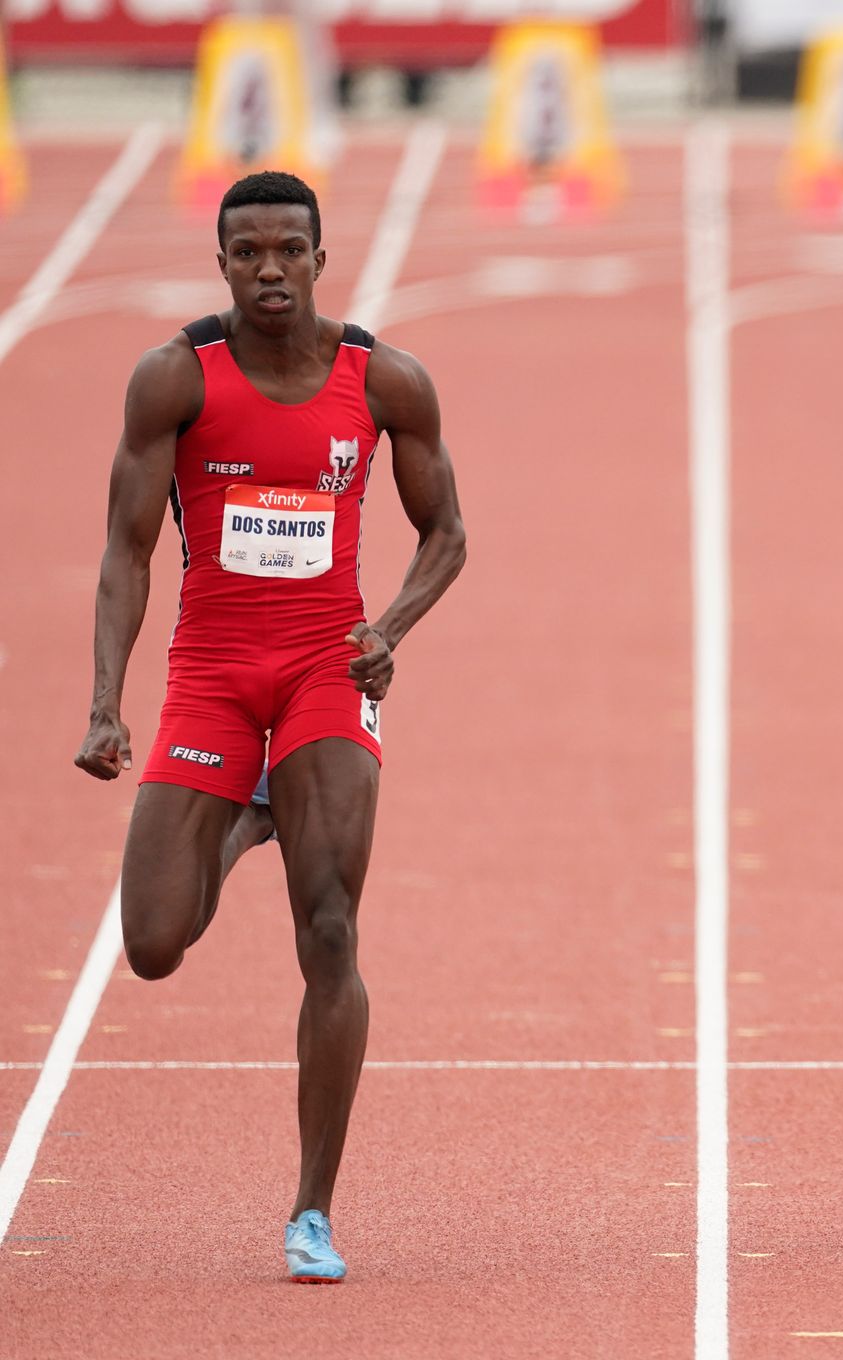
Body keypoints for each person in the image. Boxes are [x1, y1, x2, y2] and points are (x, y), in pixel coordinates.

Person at [74, 171, 467, 1280]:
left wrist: (390, 625)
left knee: (332, 925)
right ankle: (247, 818)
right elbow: (127, 549)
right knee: (151, 944)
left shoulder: (383, 380)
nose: (268, 271)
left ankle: (311, 1211)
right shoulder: (174, 380)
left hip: (325, 669)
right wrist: (107, 701)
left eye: (288, 250)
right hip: (209, 671)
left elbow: (446, 533)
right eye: (246, 252)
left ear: (321, 257)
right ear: (222, 264)